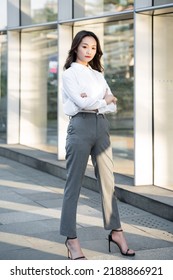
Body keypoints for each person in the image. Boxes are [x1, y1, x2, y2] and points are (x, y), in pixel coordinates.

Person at [60, 30, 135, 260]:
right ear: (76, 48)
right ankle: (71, 239)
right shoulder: (69, 74)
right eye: (84, 46)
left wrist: (99, 102)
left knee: (108, 182)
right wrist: (102, 100)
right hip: (80, 127)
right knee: (74, 184)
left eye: (93, 47)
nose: (89, 51)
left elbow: (111, 105)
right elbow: (83, 103)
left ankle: (117, 232)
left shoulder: (97, 74)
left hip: (101, 127)